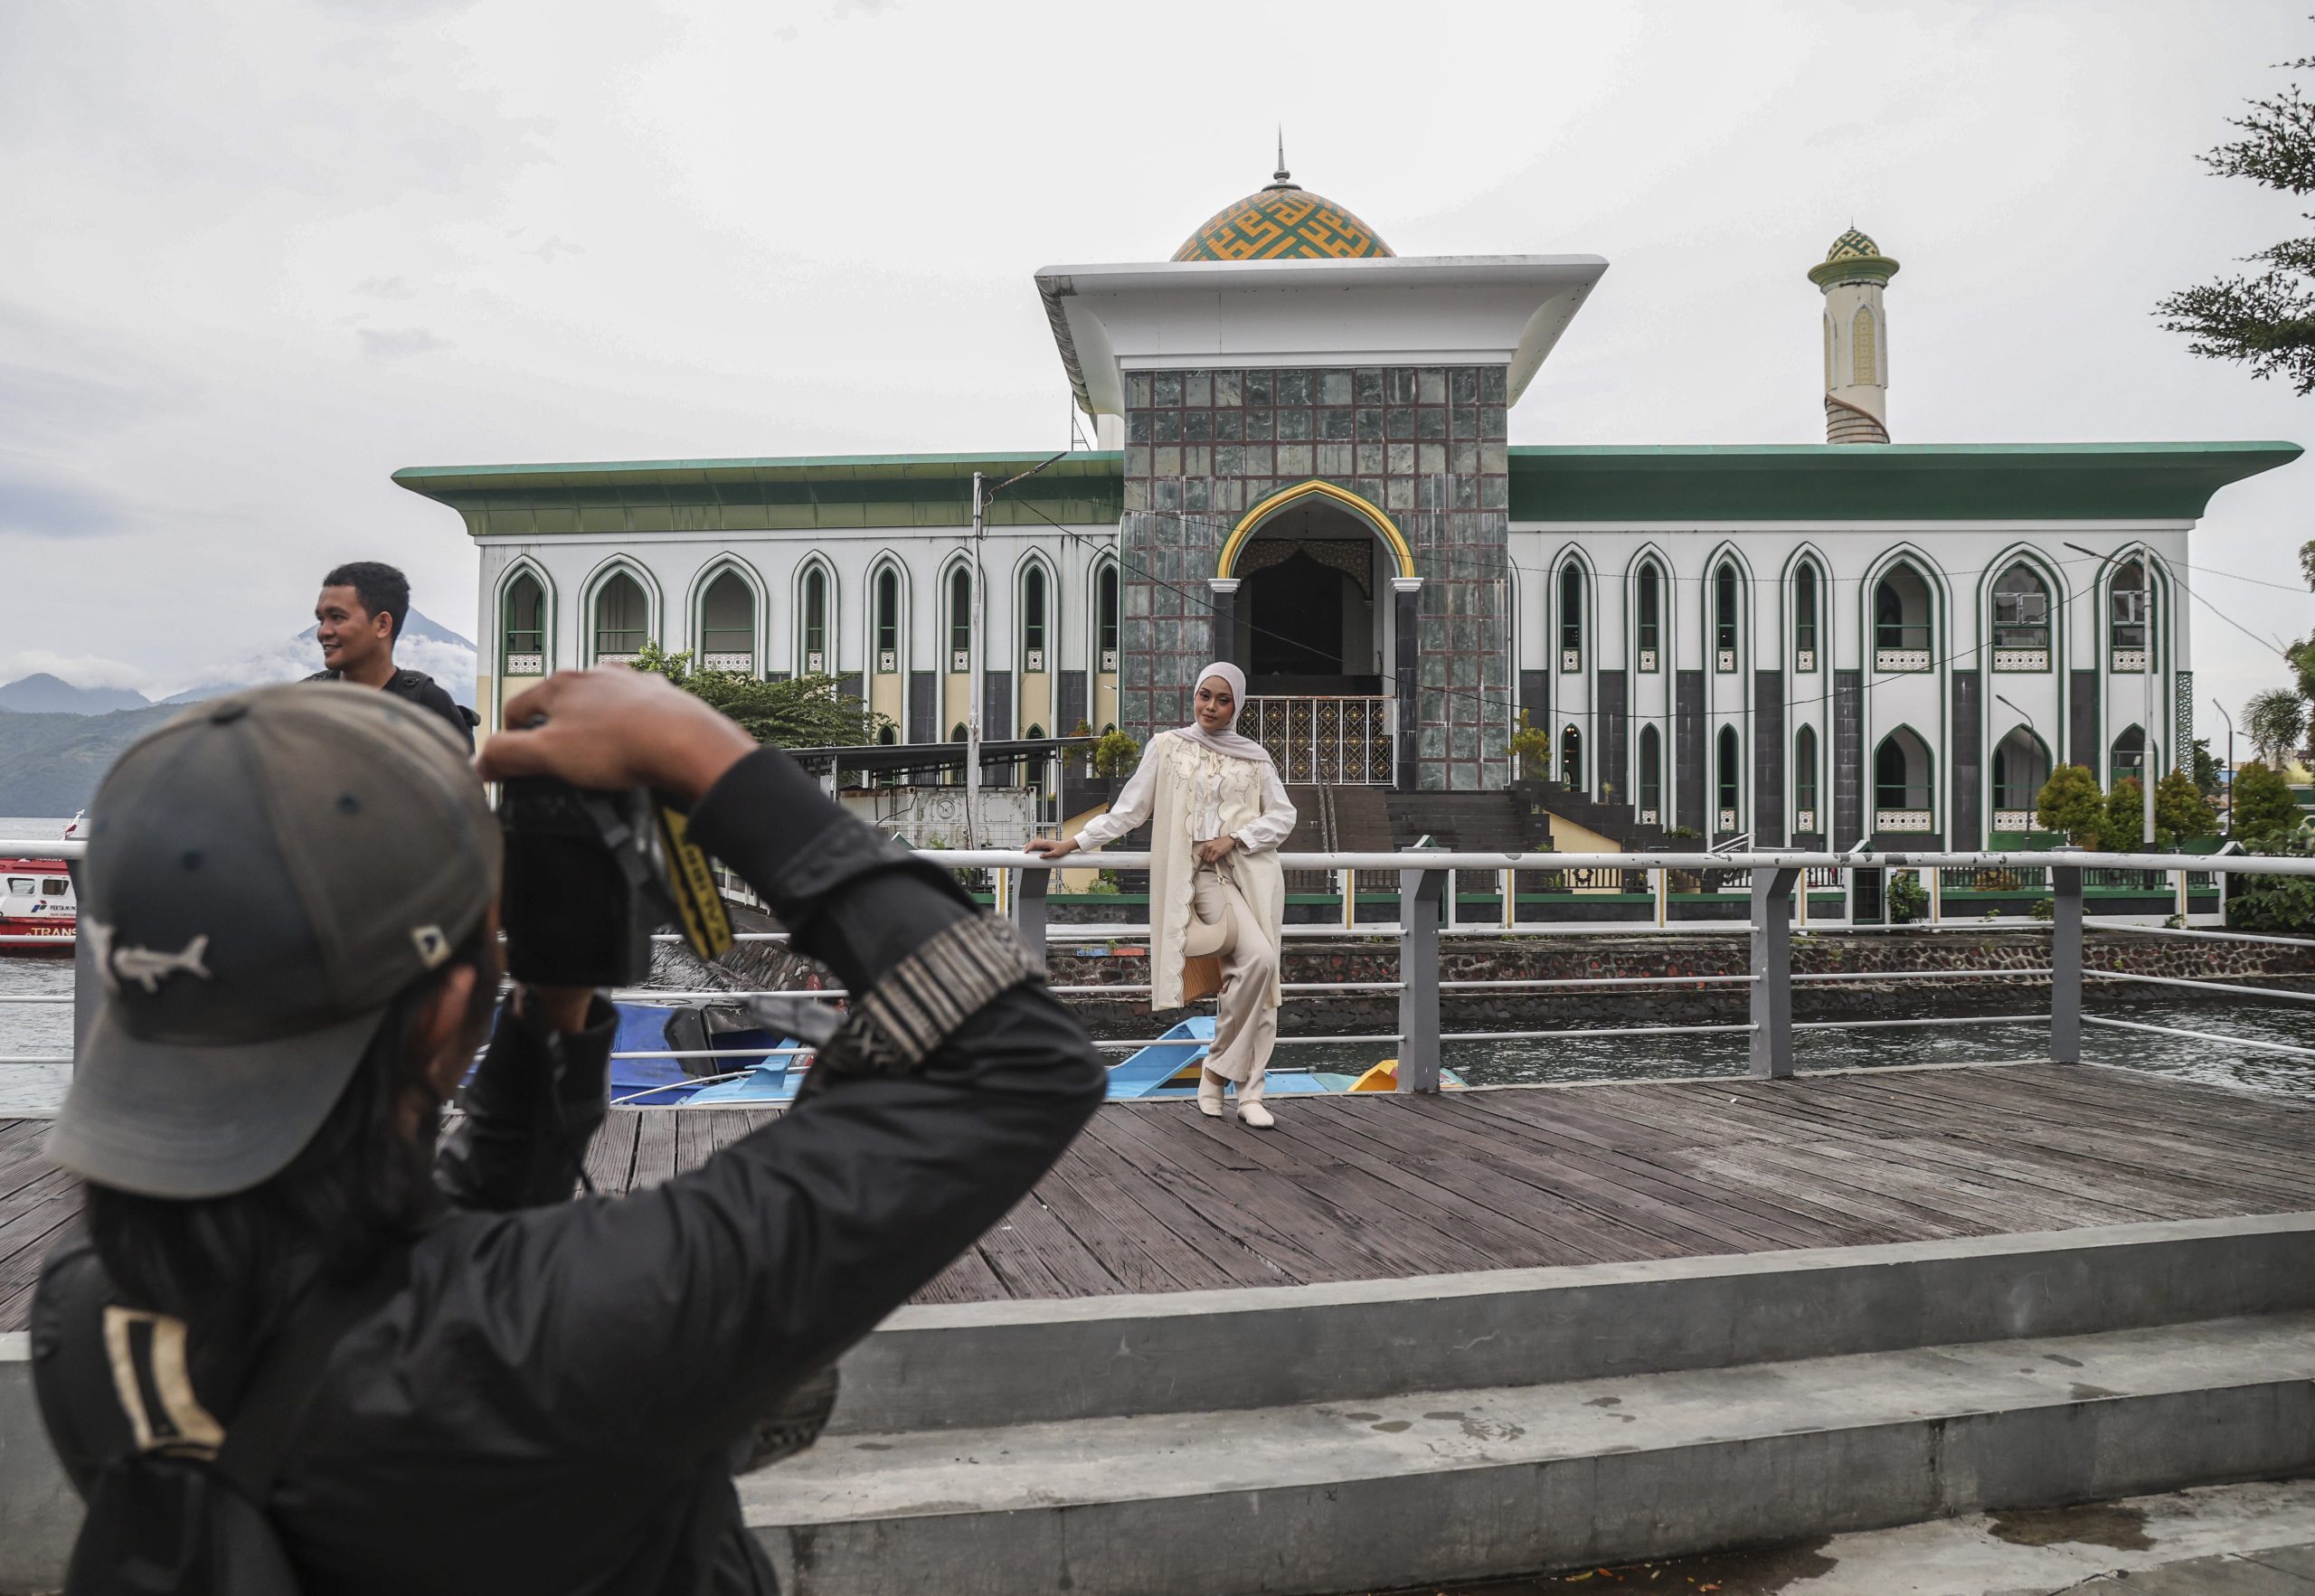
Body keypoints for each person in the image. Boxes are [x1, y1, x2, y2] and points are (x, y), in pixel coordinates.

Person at [32, 669, 1106, 1593]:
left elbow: (414, 1282)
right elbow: (1011, 1058)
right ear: (453, 1020)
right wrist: (704, 753)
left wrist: (550, 1013)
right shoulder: (557, 1334)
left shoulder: (85, 1310)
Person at [1028, 663, 1294, 1127]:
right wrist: (1074, 842)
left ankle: (1243, 1088)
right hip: (1200, 879)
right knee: (1259, 962)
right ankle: (1224, 1073)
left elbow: (1283, 816)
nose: (1211, 707)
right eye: (1204, 696)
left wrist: (1235, 837)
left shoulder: (1254, 757)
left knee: (1257, 976)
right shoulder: (1168, 746)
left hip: (1252, 872)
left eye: (1223, 699)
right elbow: (1130, 810)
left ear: (1238, 705)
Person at [305, 560, 479, 751]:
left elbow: (462, 779)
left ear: (382, 625)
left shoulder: (426, 704)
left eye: (338, 617)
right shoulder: (306, 699)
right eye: (322, 620)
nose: (323, 632)